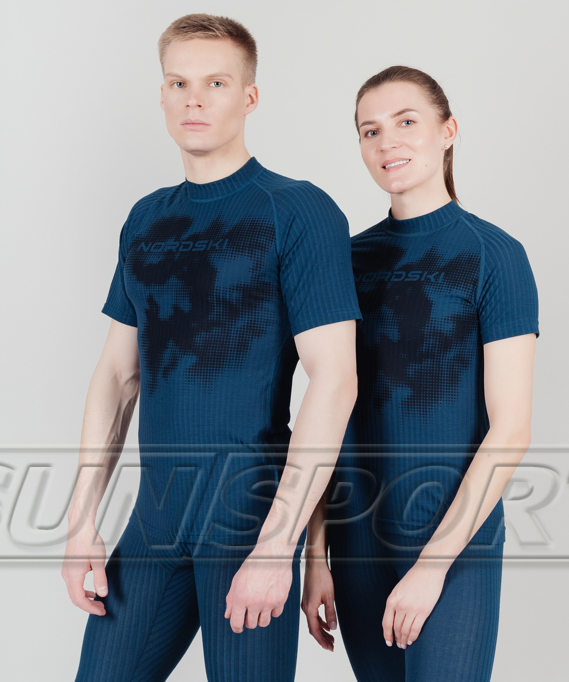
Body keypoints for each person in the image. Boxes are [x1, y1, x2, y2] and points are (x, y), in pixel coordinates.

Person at [61, 13, 362, 682]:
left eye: (216, 83)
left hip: (246, 515)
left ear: (248, 96)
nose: (194, 100)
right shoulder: (146, 218)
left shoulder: (298, 210)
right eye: (179, 83)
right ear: (162, 94)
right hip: (155, 518)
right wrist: (81, 522)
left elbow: (334, 380)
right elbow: (116, 375)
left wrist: (278, 545)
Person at [302, 65, 539, 682]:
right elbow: (329, 413)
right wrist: (316, 555)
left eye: (406, 122)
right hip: (356, 540)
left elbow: (511, 430)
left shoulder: (494, 255)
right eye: (370, 130)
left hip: (452, 541)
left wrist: (432, 566)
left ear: (448, 131)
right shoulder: (345, 260)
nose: (388, 142)